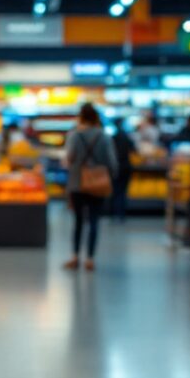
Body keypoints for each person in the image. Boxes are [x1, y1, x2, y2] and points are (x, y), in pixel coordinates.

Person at [63, 104, 117, 271]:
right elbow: (112, 163)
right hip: (98, 183)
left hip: (77, 183)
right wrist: (109, 177)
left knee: (78, 221)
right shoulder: (104, 137)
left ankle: (75, 256)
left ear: (81, 117)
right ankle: (90, 259)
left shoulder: (74, 135)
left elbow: (69, 159)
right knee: (94, 221)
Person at [110, 118, 135, 222]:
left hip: (116, 167)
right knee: (123, 192)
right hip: (126, 166)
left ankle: (114, 213)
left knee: (115, 191)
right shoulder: (127, 137)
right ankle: (121, 214)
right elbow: (134, 149)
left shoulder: (113, 138)